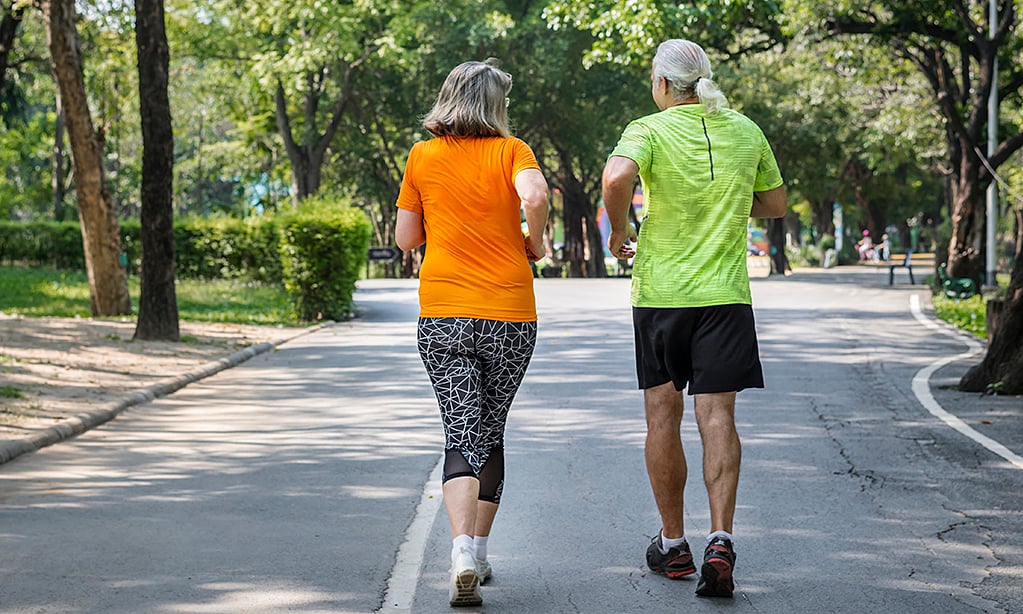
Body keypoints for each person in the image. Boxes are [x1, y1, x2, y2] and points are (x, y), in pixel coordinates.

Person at [602, 39, 787, 599]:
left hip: (661, 295)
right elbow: (775, 204)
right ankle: (722, 538)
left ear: (662, 85)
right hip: (725, 298)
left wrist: (618, 231)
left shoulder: (649, 129)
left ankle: (674, 545)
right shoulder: (745, 129)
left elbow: (615, 180)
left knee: (663, 416)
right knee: (718, 418)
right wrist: (728, 202)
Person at [394, 59, 549, 608]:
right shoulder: (514, 152)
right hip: (509, 313)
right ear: (495, 105)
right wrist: (537, 240)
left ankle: (461, 551)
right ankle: (478, 551)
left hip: (443, 315)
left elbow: (407, 238)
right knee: (490, 428)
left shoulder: (422, 155)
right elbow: (533, 196)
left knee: (463, 430)